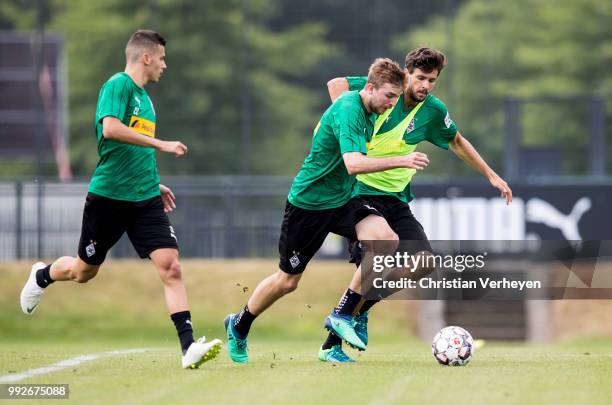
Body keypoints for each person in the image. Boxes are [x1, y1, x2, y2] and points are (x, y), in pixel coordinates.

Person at [19, 29, 222, 369]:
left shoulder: (147, 100)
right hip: (109, 198)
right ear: (146, 57)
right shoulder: (118, 85)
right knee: (84, 272)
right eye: (161, 58)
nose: (164, 65)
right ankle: (43, 275)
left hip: (144, 198)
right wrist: (161, 144)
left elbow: (132, 148)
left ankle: (188, 347)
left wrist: (154, 182)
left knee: (171, 267)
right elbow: (111, 129)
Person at [223, 58, 430, 364]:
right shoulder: (350, 110)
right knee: (287, 281)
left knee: (386, 240)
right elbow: (354, 164)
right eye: (389, 96)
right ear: (370, 88)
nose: (391, 104)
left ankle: (343, 314)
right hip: (309, 204)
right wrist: (402, 160)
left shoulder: (369, 107)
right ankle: (239, 325)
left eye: (396, 99)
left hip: (344, 199)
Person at [319, 47, 513, 362]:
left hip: (396, 201)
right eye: (421, 77)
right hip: (359, 194)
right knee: (374, 265)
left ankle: (358, 311)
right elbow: (335, 84)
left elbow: (456, 141)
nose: (425, 85)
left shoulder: (433, 111)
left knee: (424, 263)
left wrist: (491, 175)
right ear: (407, 73)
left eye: (432, 80)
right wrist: (346, 126)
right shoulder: (384, 87)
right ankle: (330, 347)